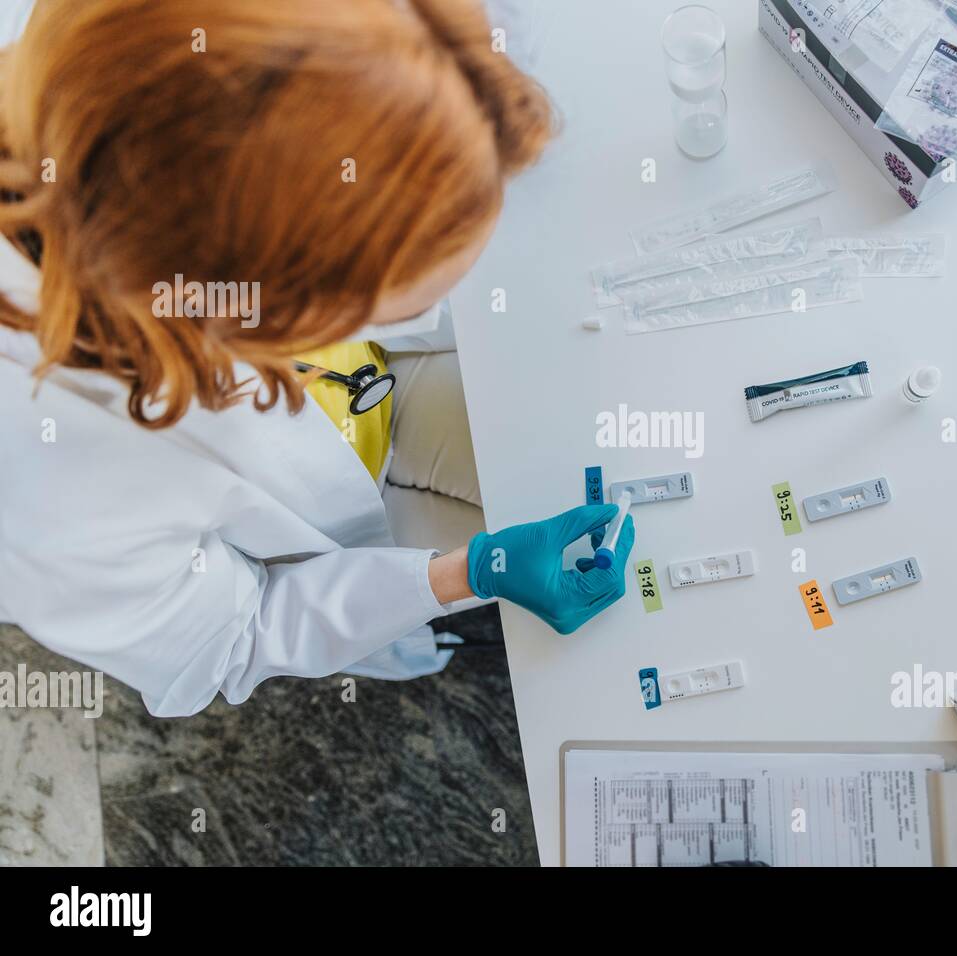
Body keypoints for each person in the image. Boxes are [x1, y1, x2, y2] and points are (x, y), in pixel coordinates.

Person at [0, 0, 633, 717]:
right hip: (322, 530)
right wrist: (467, 574)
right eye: (389, 295)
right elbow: (231, 637)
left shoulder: (181, 52)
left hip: (362, 380)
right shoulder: (49, 482)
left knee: (595, 442)